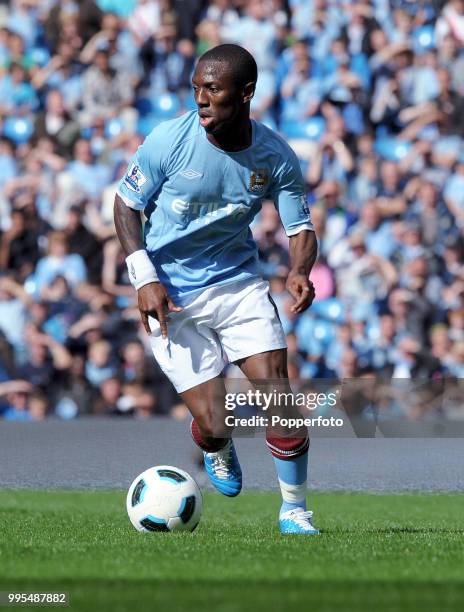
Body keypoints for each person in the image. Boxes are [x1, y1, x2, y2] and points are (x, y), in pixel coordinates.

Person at [114, 44, 319, 534]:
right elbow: (124, 207)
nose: (201, 98)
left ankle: (295, 510)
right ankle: (216, 445)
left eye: (212, 88)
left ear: (245, 93)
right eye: (196, 89)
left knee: (278, 393)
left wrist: (299, 270)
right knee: (214, 424)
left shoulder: (275, 156)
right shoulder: (169, 140)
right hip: (170, 295)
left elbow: (300, 227)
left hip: (237, 284)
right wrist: (145, 277)